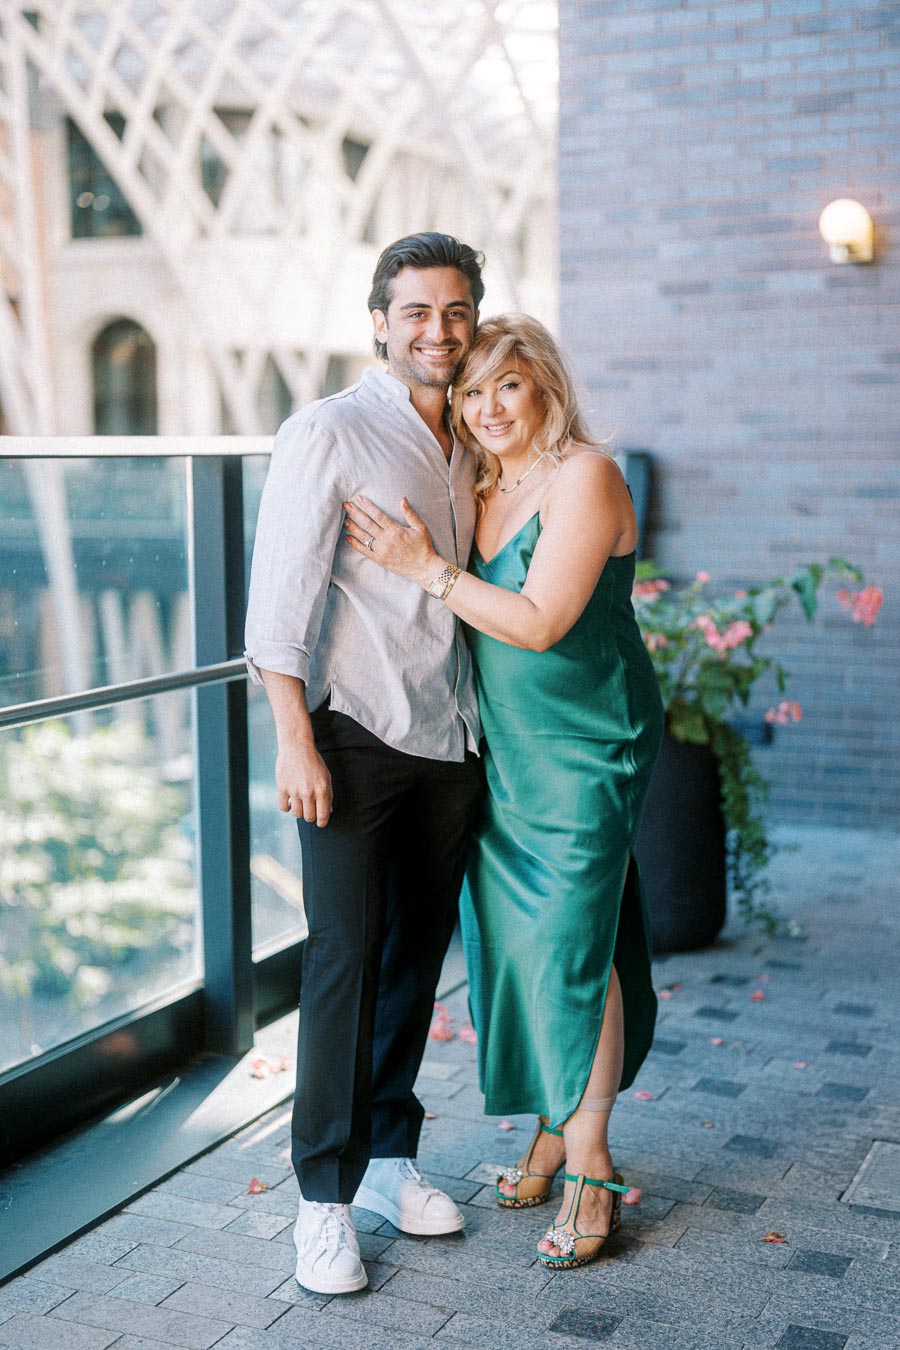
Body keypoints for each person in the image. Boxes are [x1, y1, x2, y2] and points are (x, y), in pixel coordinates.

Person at [343, 313, 663, 1272]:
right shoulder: (479, 484)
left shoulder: (586, 477)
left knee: (571, 942)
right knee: (517, 942)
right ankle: (555, 1125)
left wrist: (424, 568)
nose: (484, 408)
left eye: (505, 387)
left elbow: (536, 621)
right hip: (502, 750)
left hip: (588, 741)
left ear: (545, 389)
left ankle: (590, 1161)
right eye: (470, 392)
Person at [244, 232, 486, 1295]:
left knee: (413, 962)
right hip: (349, 737)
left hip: (448, 737)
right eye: (417, 311)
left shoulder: (473, 437)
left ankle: (391, 1158)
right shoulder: (331, 430)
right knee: (345, 960)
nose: (438, 330)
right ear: (379, 321)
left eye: (456, 310)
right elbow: (277, 604)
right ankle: (322, 1201)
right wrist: (293, 738)